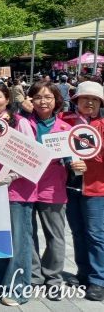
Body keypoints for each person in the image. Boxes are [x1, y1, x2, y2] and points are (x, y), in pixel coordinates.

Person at [0, 81, 37, 306]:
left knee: (19, 241)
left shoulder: (20, 123)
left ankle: (18, 288)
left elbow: (33, 158)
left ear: (7, 99)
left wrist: (12, 176)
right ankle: (0, 282)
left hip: (17, 191)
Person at [58, 80, 104, 301]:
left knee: (95, 234)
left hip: (96, 187)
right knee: (77, 231)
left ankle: (98, 280)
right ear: (76, 100)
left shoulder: (102, 124)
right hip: (70, 186)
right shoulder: (65, 119)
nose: (90, 103)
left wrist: (90, 160)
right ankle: (83, 273)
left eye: (95, 99)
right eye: (85, 98)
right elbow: (53, 142)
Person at [27, 81, 71, 301]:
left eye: (48, 97)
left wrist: (74, 163)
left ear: (56, 100)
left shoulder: (65, 129)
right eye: (38, 97)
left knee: (55, 236)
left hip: (53, 188)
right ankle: (34, 276)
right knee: (28, 234)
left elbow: (73, 158)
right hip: (25, 186)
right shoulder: (22, 124)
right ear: (31, 100)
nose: (43, 101)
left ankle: (53, 278)